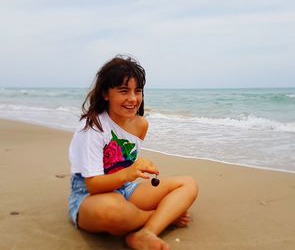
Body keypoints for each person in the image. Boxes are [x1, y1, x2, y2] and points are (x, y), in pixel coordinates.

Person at [68, 55, 198, 250]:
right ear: (105, 93)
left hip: (124, 190)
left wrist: (138, 170)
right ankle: (162, 215)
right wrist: (129, 173)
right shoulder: (92, 128)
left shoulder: (140, 124)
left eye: (138, 91)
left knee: (188, 184)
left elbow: (126, 170)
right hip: (89, 196)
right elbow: (93, 185)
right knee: (114, 211)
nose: (132, 98)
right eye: (123, 91)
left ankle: (146, 232)